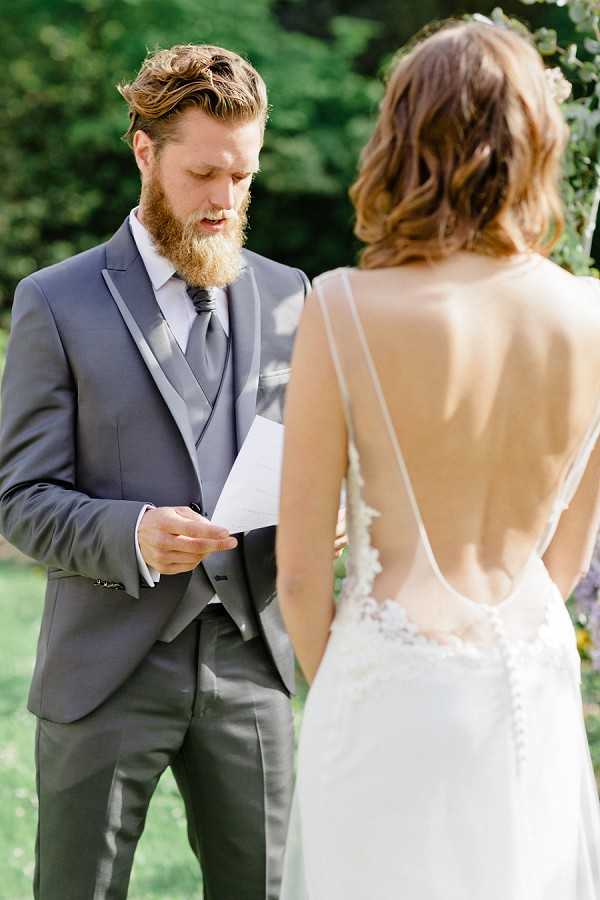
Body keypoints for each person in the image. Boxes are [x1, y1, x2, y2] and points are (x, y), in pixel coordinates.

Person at [276, 21, 600, 899]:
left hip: (387, 684)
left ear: (404, 138)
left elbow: (299, 576)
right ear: (536, 142)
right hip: (529, 683)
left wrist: (357, 684)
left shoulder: (342, 307)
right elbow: (565, 563)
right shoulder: (591, 317)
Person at [0, 44, 310, 900]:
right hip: (106, 669)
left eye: (242, 177)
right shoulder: (55, 301)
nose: (225, 200)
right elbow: (20, 499)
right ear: (145, 152)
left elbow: (306, 461)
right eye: (203, 173)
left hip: (252, 663)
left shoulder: (291, 294)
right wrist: (132, 532)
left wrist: (324, 517)